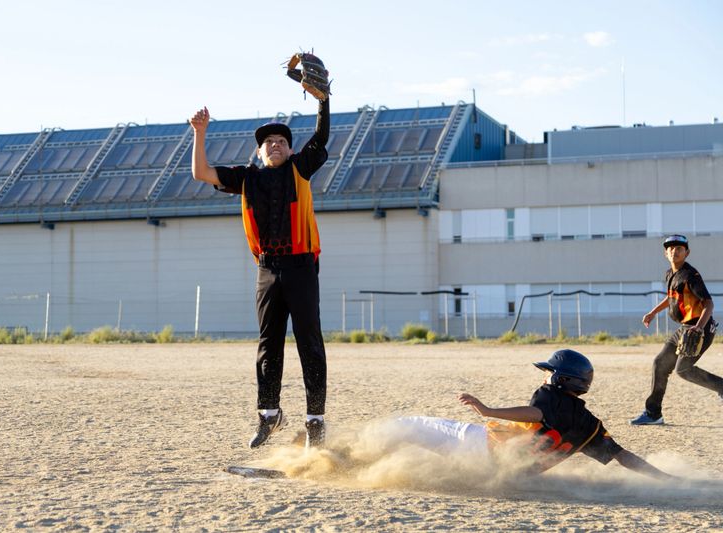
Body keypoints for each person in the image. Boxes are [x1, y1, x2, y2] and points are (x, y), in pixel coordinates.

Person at [190, 98, 330, 449]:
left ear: (290, 148)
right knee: (269, 345)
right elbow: (201, 173)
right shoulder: (247, 178)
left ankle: (315, 421)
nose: (276, 145)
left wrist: (324, 102)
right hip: (267, 270)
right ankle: (269, 414)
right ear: (259, 151)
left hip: (300, 267)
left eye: (282, 141)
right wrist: (200, 133)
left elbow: (322, 136)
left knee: (309, 342)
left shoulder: (300, 168)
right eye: (269, 142)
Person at [385, 349, 677, 481]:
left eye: (550, 372)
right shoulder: (589, 424)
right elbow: (621, 455)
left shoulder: (548, 396)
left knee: (410, 424)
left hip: (481, 446)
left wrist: (487, 410)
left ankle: (353, 457)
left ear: (562, 380)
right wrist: (664, 478)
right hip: (508, 474)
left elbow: (535, 413)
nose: (545, 376)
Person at [630, 234, 722, 425]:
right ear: (665, 253)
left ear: (687, 253)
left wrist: (698, 328)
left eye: (679, 248)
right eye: (670, 248)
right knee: (660, 363)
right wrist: (652, 312)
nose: (674, 251)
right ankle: (653, 414)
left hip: (700, 329)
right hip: (685, 328)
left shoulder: (691, 275)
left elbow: (709, 304)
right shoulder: (669, 273)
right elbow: (671, 298)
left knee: (683, 370)